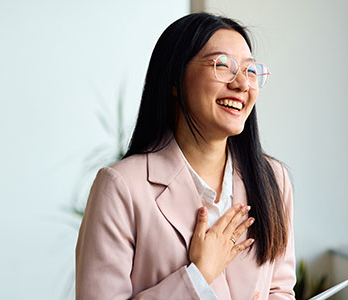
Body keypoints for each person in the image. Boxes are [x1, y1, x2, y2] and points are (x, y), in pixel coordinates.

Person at [75, 13, 295, 300]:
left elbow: (280, 289)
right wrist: (197, 277)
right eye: (222, 66)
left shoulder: (272, 179)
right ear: (175, 79)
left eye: (250, 71)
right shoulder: (121, 187)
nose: (242, 84)